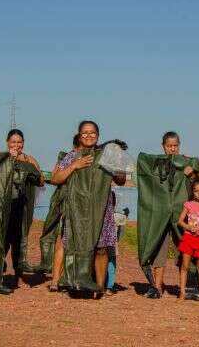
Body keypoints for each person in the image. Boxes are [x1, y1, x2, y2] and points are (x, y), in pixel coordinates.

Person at [50, 120, 125, 295]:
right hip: (77, 210)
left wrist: (117, 168)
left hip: (101, 210)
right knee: (73, 244)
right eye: (85, 133)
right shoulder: (72, 156)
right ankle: (71, 281)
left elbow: (120, 180)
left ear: (98, 135)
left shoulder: (106, 155)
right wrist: (75, 166)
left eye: (92, 133)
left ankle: (99, 287)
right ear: (79, 135)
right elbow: (55, 179)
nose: (89, 136)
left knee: (101, 248)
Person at [146, 131, 197, 299]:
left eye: (175, 146)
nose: (172, 149)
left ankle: (188, 286)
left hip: (181, 213)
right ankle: (156, 286)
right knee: (159, 247)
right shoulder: (156, 163)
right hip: (160, 213)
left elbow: (197, 186)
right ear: (163, 146)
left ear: (179, 146)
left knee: (183, 247)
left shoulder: (187, 162)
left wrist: (192, 174)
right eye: (169, 146)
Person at [4, 129, 44, 288]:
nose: (16, 145)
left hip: (25, 207)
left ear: (23, 143)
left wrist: (33, 173)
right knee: (3, 239)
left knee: (20, 240)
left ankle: (18, 275)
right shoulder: (2, 158)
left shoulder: (30, 160)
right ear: (7, 142)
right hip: (5, 206)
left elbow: (41, 182)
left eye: (19, 142)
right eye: (13, 142)